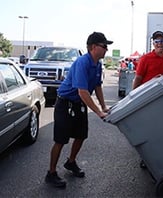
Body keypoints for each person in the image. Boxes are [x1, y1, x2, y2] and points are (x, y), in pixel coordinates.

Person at [45, 32, 112, 188]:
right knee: (60, 140)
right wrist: (98, 112)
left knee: (81, 135)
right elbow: (83, 91)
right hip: (65, 103)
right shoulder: (82, 62)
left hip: (78, 104)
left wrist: (104, 106)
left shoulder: (98, 64)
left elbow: (97, 86)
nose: (106, 49)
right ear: (93, 47)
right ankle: (51, 173)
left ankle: (71, 162)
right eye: (104, 46)